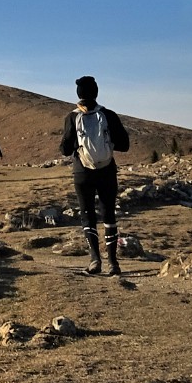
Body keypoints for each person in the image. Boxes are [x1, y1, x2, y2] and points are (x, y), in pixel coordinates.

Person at [59, 76, 131, 275]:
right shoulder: (108, 115)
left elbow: (65, 149)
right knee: (108, 214)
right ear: (96, 92)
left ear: (78, 94)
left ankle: (94, 260)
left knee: (87, 214)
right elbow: (124, 145)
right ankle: (113, 263)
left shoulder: (72, 117)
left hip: (82, 171)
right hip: (107, 170)